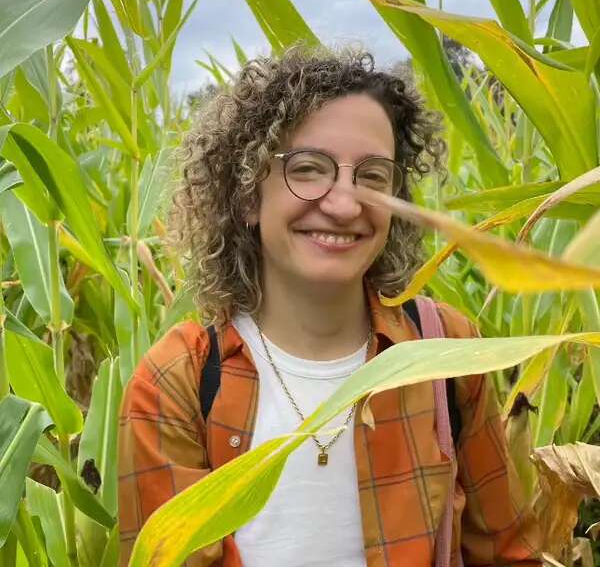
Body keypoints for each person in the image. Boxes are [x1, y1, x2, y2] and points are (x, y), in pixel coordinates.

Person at [118, 47, 541, 566]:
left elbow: (507, 553)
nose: (344, 205)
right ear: (249, 195)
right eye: (309, 169)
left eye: (372, 177)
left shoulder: (447, 354)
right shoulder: (177, 379)